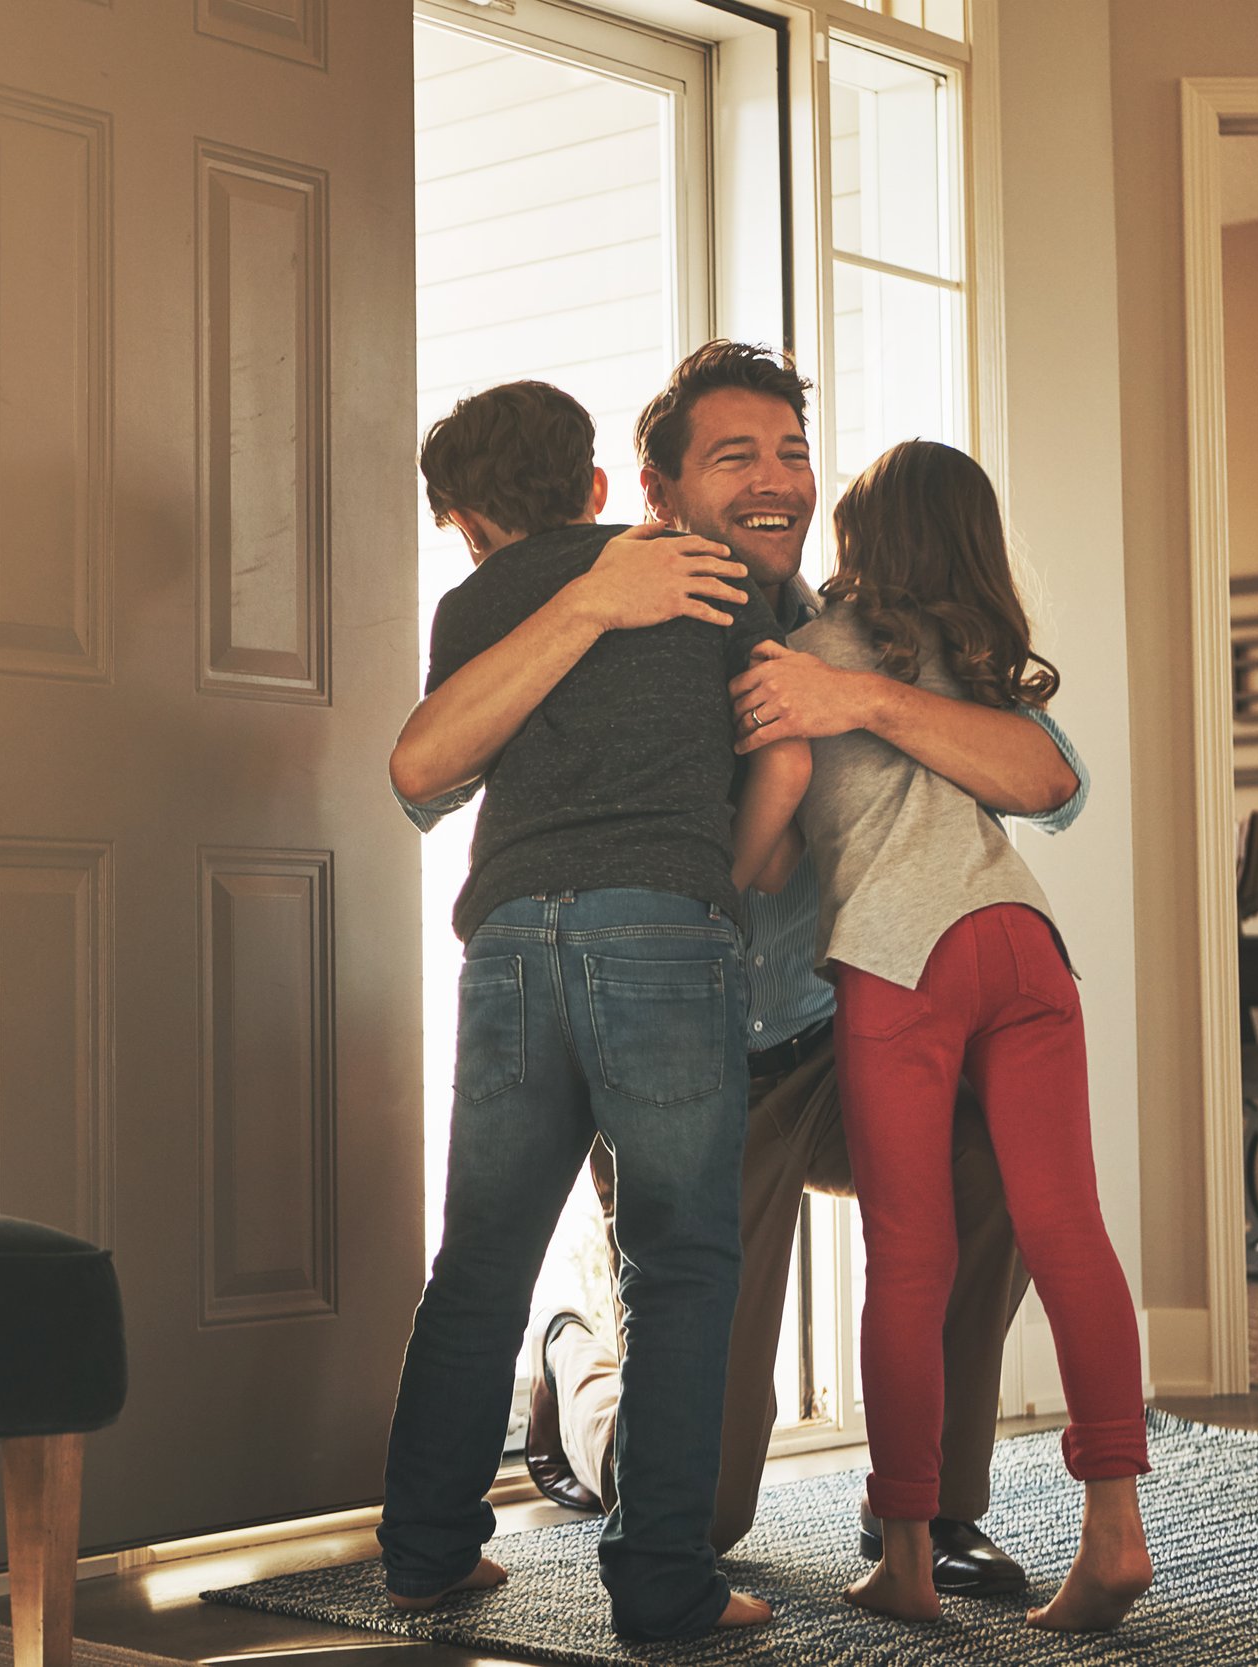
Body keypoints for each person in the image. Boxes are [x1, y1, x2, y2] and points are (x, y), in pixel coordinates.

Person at [393, 340, 1088, 1600]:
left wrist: (855, 701)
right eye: (735, 457)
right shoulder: (631, 604)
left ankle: (924, 1510)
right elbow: (427, 778)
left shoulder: (856, 630)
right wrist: (599, 607)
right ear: (651, 497)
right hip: (691, 1040)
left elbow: (1050, 779)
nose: (776, 480)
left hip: (830, 1042)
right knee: (699, 1489)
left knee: (986, 1157)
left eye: (790, 451)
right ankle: (576, 1372)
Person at [377, 379, 809, 1641]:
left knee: (480, 1262)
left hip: (509, 936)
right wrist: (708, 889)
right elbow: (781, 750)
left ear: (464, 522)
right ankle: (663, 1585)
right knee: (678, 1262)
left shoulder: (471, 604)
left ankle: (425, 1549)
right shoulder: (704, 574)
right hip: (662, 931)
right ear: (599, 489)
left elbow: (433, 772)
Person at [791, 438, 1150, 1630]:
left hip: (903, 954)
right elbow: (1047, 787)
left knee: (908, 1254)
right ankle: (1113, 1535)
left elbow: (777, 814)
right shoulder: (977, 664)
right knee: (1069, 1232)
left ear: (860, 537)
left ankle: (903, 1554)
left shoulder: (812, 651)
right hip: (1024, 941)